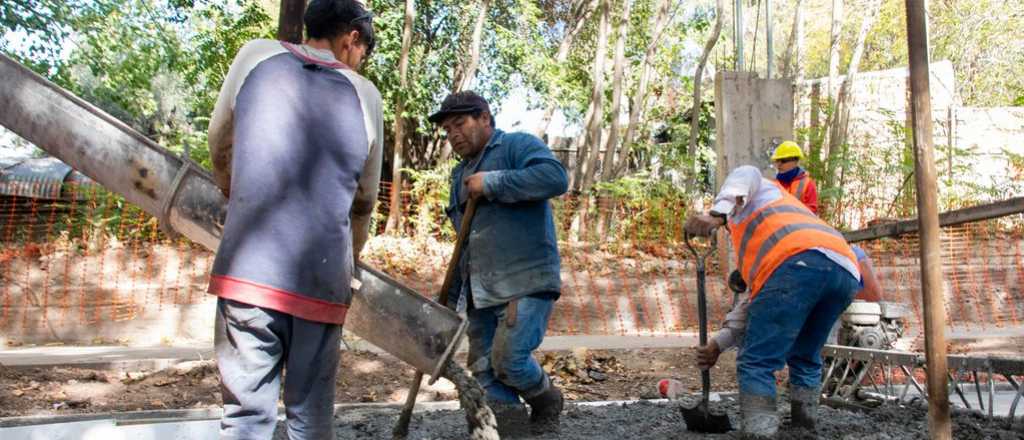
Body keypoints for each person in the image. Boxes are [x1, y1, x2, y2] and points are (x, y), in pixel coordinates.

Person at [205, 0, 383, 438]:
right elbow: (364, 201)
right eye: (363, 53)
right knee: (309, 419)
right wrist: (350, 259)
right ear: (351, 39)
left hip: (248, 274)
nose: (359, 63)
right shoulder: (365, 95)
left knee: (246, 417)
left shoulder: (255, 56)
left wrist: (230, 185)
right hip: (320, 285)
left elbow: (218, 139)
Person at [428, 91, 569, 431]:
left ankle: (547, 398)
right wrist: (448, 301)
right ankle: (511, 430)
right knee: (484, 370)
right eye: (447, 129)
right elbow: (465, 242)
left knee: (509, 362)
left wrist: (493, 182)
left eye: (460, 123)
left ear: (485, 118)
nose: (453, 134)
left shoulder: (516, 146)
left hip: (525, 281)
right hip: (481, 290)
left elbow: (556, 178)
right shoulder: (458, 176)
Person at [686, 165, 860, 437]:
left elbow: (746, 171)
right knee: (805, 355)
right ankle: (804, 428)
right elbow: (748, 309)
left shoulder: (758, 195)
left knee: (757, 361)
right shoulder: (777, 229)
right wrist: (717, 345)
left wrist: (717, 212)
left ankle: (760, 432)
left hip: (797, 262)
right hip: (845, 270)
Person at [771, 141, 819, 214]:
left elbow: (812, 211)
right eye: (777, 160)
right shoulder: (773, 184)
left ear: (795, 161)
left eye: (783, 161)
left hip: (799, 224)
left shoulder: (807, 184)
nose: (779, 164)